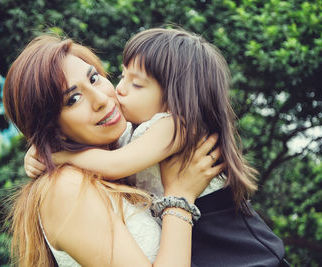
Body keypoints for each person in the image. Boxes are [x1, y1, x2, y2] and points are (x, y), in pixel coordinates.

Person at [25, 28, 289, 266]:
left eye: (136, 84)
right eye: (73, 98)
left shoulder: (176, 126)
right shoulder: (128, 138)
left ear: (176, 96)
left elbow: (118, 164)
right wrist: (41, 148)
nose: (117, 92)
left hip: (236, 245)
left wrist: (60, 155)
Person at [3, 33, 224, 267]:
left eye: (94, 78)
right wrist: (179, 196)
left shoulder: (136, 139)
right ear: (51, 129)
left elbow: (117, 162)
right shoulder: (67, 187)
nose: (101, 98)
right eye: (73, 99)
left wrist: (55, 154)